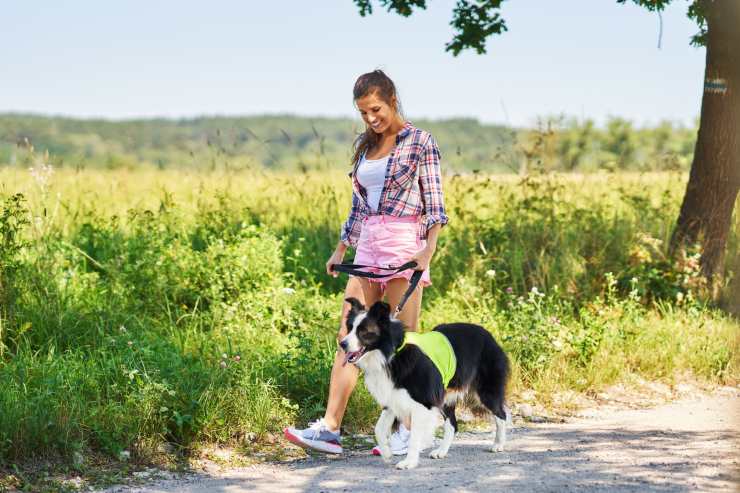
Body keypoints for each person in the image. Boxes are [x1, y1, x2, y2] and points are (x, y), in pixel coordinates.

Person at [284, 69, 448, 455]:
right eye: (363, 112)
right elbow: (359, 206)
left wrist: (428, 251)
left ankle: (412, 428)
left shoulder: (421, 142)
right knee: (349, 333)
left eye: (376, 109)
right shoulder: (366, 148)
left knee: (401, 342)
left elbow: (435, 204)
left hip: (403, 246)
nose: (371, 118)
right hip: (368, 246)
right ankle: (329, 428)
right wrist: (342, 248)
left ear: (392, 99)